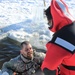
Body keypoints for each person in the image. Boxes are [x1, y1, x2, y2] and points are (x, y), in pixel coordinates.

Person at [41, 0, 75, 75]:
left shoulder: (60, 39)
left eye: (49, 22)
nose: (48, 24)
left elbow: (48, 69)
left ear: (53, 18)